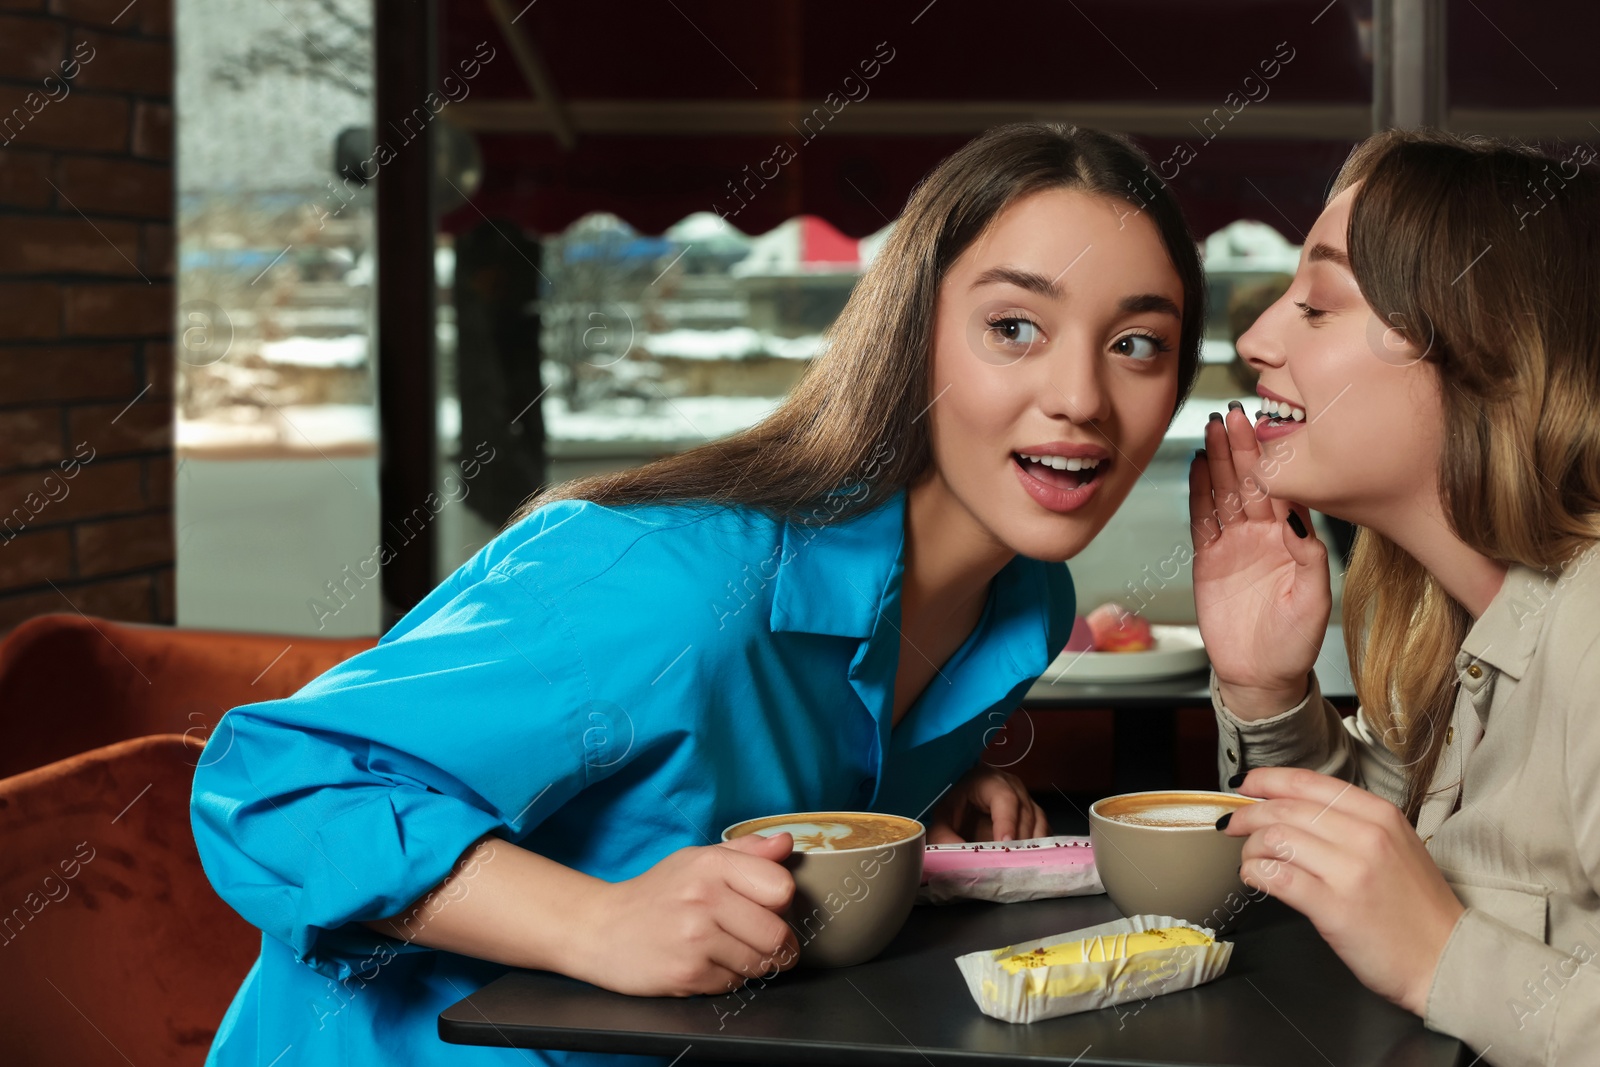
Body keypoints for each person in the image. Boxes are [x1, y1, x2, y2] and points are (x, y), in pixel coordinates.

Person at [190, 121, 1207, 1067]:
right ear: (914, 335)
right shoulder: (675, 580)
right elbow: (276, 784)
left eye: (1135, 344)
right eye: (1015, 326)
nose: (1080, 396)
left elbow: (755, 761)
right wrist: (593, 919)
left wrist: (915, 788)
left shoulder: (1019, 603)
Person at [1192, 128, 1600, 1067]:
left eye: (1320, 306)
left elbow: (1420, 927)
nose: (1254, 338)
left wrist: (1444, 960)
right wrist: (1268, 693)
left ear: (1484, 349)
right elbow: (1390, 869)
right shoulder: (1459, 620)